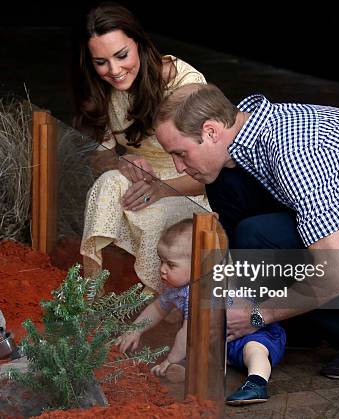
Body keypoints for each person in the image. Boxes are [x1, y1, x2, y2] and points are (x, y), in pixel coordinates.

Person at [153, 83, 339, 379]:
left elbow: (337, 274)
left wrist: (258, 315)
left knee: (261, 235)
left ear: (211, 131)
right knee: (227, 183)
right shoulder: (244, 135)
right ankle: (305, 324)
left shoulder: (294, 153)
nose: (179, 166)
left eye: (181, 153)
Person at [72, 2, 209, 293]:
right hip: (140, 184)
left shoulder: (185, 84)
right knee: (108, 183)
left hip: (188, 188)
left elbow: (211, 175)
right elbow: (99, 156)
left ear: (140, 44)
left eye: (122, 55)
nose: (114, 70)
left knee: (156, 215)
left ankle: (155, 304)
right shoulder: (101, 88)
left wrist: (160, 187)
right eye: (101, 62)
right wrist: (122, 162)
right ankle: (94, 292)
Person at [116, 219, 286, 405]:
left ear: (198, 267)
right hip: (219, 343)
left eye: (171, 265)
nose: (162, 270)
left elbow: (187, 331)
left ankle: (256, 382)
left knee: (254, 350)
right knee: (198, 353)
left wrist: (169, 360)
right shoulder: (178, 289)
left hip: (251, 333)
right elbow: (157, 308)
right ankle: (186, 369)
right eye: (161, 261)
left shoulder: (203, 290)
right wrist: (136, 329)